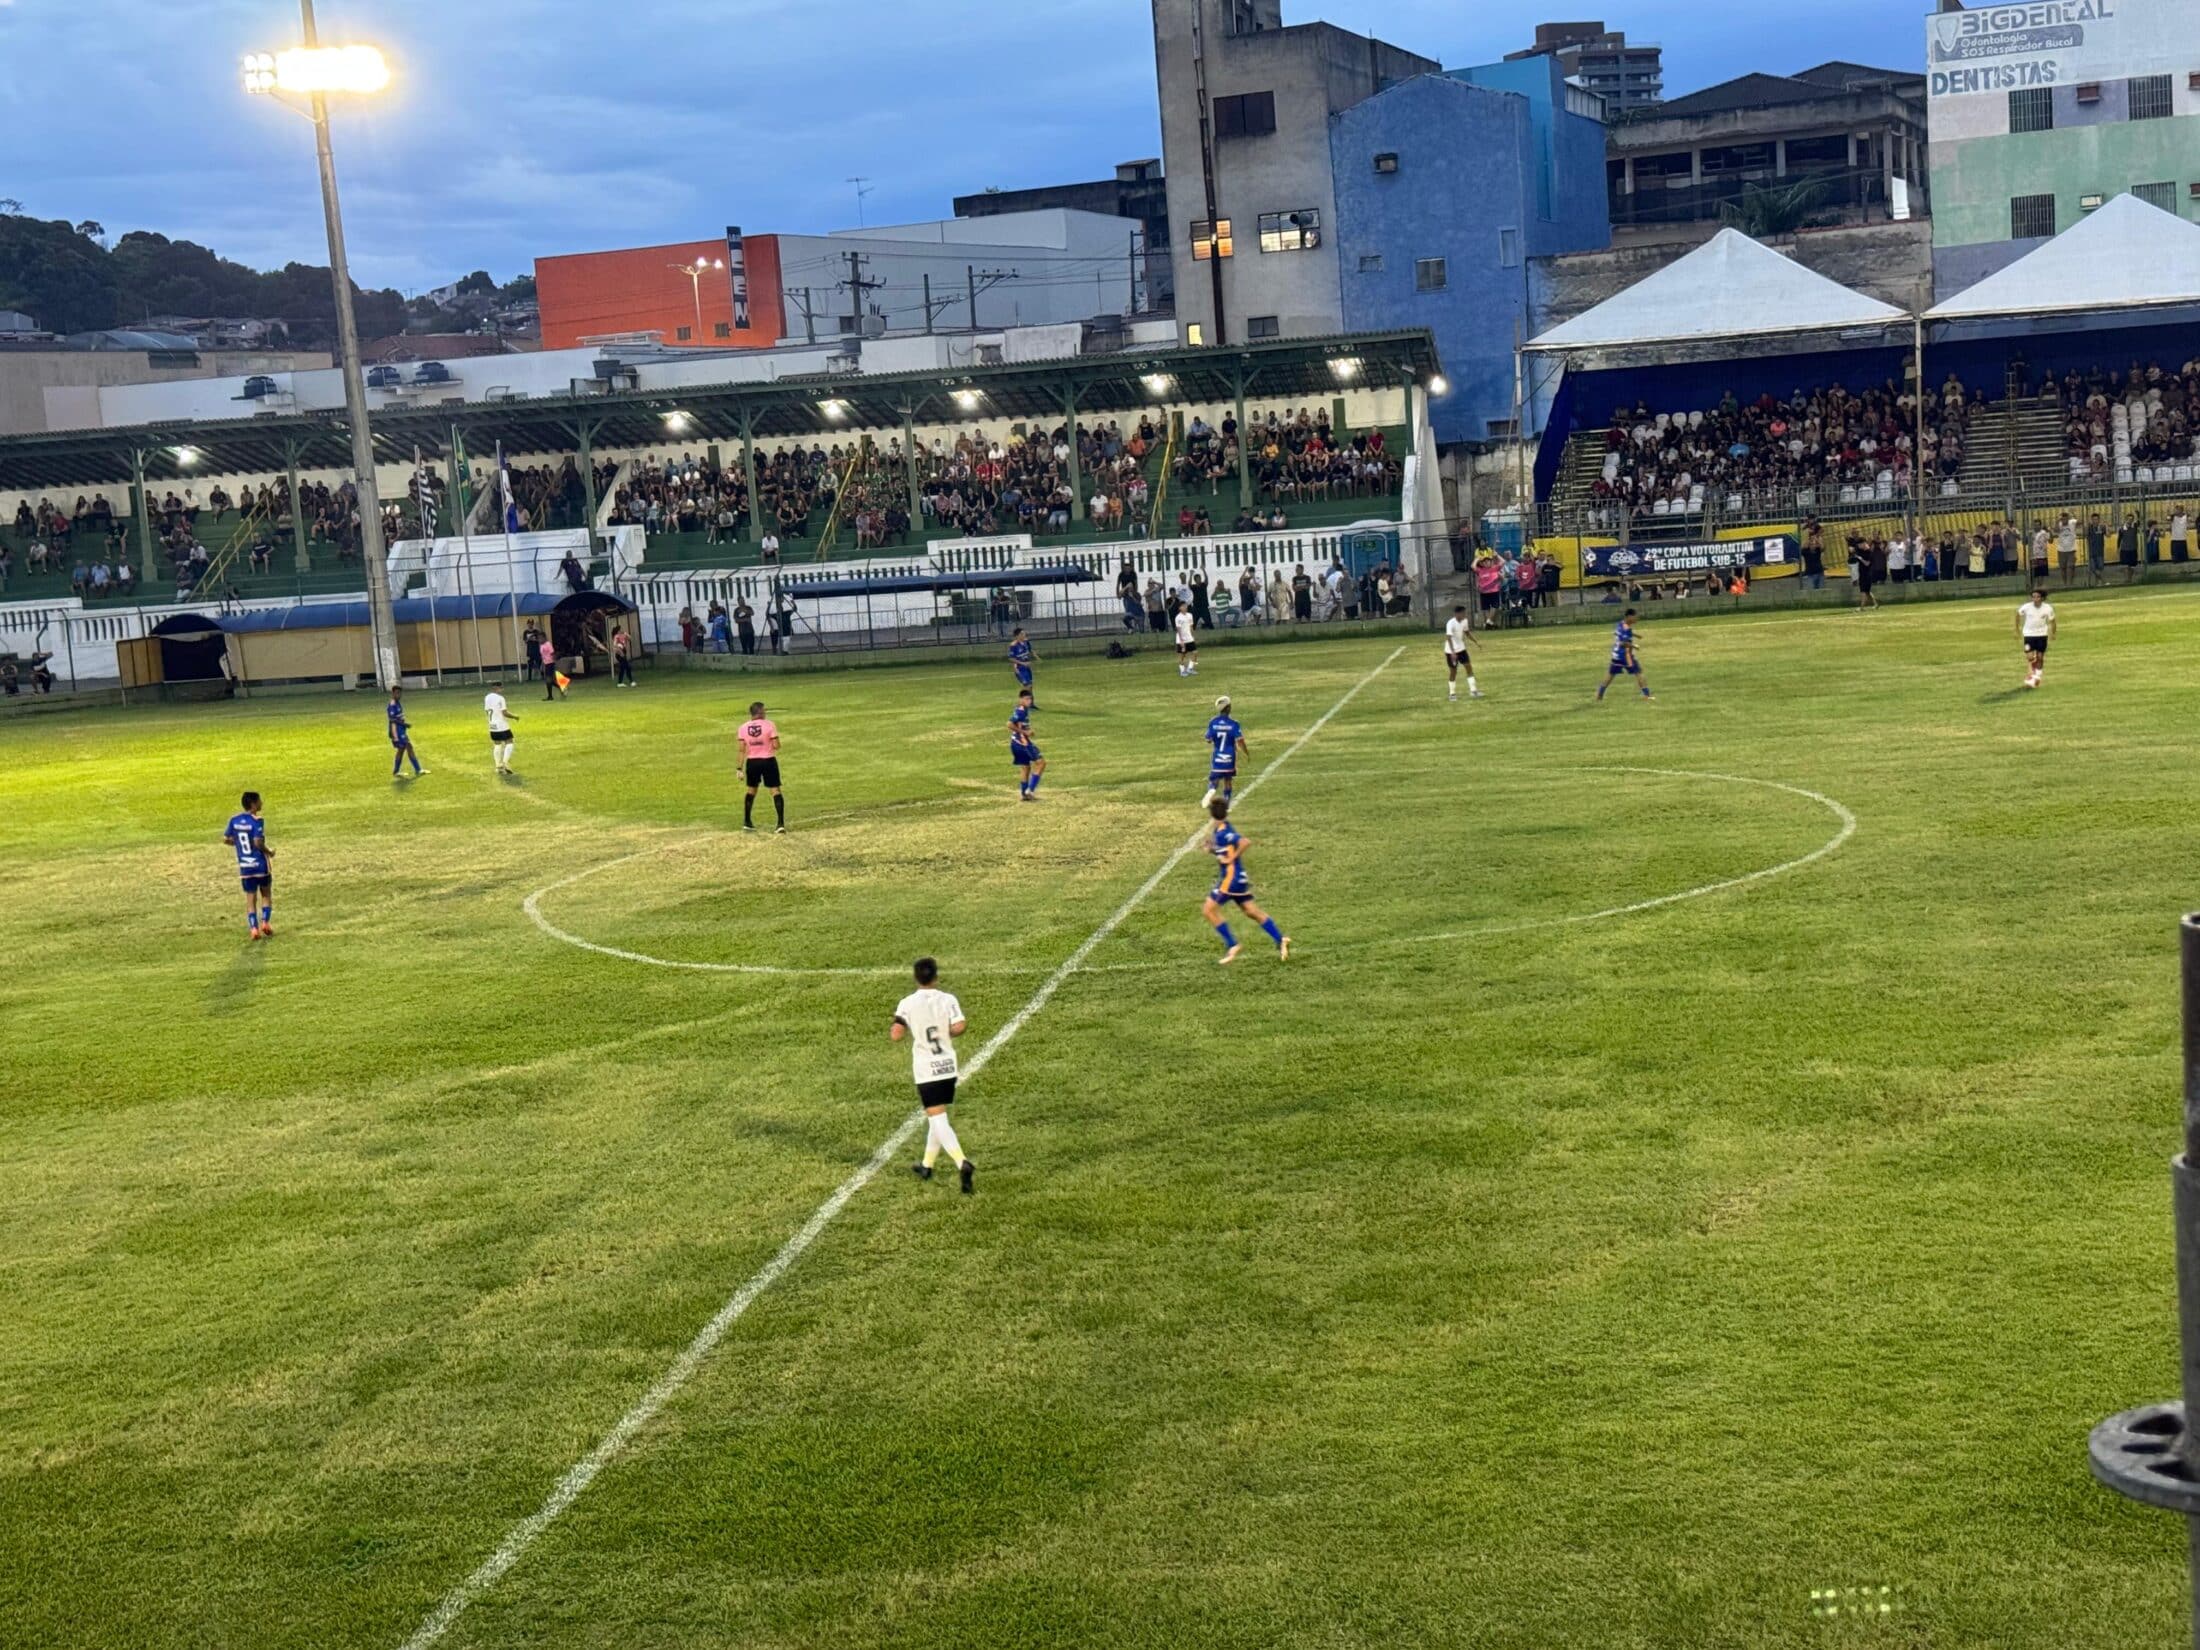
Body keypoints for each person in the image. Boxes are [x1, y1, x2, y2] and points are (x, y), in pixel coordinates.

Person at [891, 957, 972, 1194]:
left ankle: (962, 1162)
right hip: (948, 1065)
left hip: (927, 1069)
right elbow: (960, 1026)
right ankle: (927, 1165)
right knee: (936, 1115)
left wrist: (902, 1029)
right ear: (936, 976)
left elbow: (896, 1034)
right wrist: (942, 1032)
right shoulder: (948, 999)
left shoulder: (907, 1003)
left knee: (938, 1119)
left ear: (916, 978)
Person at [1203, 797, 1288, 966]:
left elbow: (1244, 842)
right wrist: (1212, 850)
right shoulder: (1222, 829)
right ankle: (1280, 939)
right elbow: (1225, 850)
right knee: (1251, 911)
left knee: (1209, 910)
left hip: (1231, 879)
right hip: (1239, 879)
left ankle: (1232, 945)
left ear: (1212, 815)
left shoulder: (1223, 832)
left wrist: (1233, 857)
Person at [223, 791, 275, 940]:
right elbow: (258, 842)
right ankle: (265, 922)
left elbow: (226, 839)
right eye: (259, 801)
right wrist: (269, 852)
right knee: (266, 894)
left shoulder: (234, 820)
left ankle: (253, 928)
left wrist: (237, 844)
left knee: (250, 898)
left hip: (245, 866)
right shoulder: (257, 821)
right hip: (260, 865)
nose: (261, 803)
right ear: (253, 804)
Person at [739, 700, 785, 833]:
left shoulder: (743, 728)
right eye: (764, 710)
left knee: (751, 790)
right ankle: (780, 824)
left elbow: (742, 750)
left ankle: (747, 821)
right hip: (768, 760)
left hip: (752, 762)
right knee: (775, 790)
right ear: (760, 712)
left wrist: (739, 768)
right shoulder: (769, 725)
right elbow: (776, 745)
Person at [1597, 608, 1653, 702]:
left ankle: (1599, 696)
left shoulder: (1621, 624)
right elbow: (1623, 643)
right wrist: (1634, 646)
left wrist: (1636, 635)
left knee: (1610, 675)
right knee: (1639, 672)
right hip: (1625, 656)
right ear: (1629, 617)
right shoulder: (1626, 628)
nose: (1637, 619)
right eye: (1635, 617)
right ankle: (1647, 696)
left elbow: (1620, 634)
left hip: (1616, 655)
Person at [1203, 694, 1247, 807]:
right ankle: (1226, 801)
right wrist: (1246, 752)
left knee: (1214, 780)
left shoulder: (1213, 722)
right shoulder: (1234, 724)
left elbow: (1208, 739)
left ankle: (1211, 790)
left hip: (1217, 756)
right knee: (1228, 780)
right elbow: (1240, 740)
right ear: (1228, 708)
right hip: (1229, 756)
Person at [2018, 587, 2056, 690]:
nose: (2035, 599)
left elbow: (2052, 621)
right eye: (2033, 597)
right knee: (2030, 657)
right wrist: (2016, 629)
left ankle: (2037, 676)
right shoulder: (2026, 607)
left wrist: (2053, 633)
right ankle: (2033, 673)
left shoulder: (2047, 608)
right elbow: (2018, 614)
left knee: (2040, 657)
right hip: (2028, 635)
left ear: (2042, 598)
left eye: (2037, 597)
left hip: (2041, 635)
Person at [1009, 688, 1045, 801]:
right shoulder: (1020, 711)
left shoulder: (1022, 710)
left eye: (1030, 699)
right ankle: (1030, 790)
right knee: (1041, 763)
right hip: (1022, 743)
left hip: (1015, 742)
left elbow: (1019, 725)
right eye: (1027, 699)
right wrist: (1025, 732)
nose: (1029, 701)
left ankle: (1024, 795)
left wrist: (1027, 730)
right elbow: (1009, 724)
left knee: (1025, 767)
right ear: (1021, 699)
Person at [1444, 604, 1481, 703]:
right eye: (1463, 613)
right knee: (1453, 672)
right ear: (1457, 614)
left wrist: (1476, 642)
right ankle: (1452, 694)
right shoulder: (1450, 623)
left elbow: (1467, 633)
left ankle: (1473, 691)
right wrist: (1452, 652)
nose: (1465, 614)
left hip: (1462, 649)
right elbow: (1448, 638)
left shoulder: (1464, 621)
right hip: (1450, 651)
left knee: (1469, 667)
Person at [386, 687, 425, 778]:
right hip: (397, 731)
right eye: (396, 693)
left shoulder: (397, 703)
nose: (398, 695)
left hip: (400, 730)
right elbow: (392, 719)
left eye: (399, 693)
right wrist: (405, 725)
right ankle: (418, 769)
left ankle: (396, 771)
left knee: (401, 749)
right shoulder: (392, 704)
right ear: (392, 693)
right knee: (409, 746)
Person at [484, 686, 516, 773]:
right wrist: (515, 717)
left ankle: (498, 766)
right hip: (501, 725)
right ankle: (505, 763)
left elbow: (487, 711)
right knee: (509, 741)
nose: (502, 690)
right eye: (501, 688)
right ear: (497, 688)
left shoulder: (487, 697)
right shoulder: (500, 698)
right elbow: (504, 713)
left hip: (492, 725)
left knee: (497, 744)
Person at [1008, 628, 1036, 698]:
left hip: (1027, 667)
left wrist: (1033, 653)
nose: (1024, 635)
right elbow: (1011, 658)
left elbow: (1029, 649)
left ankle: (1031, 704)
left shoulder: (1026, 642)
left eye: (1024, 633)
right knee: (1027, 685)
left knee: (1030, 685)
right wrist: (1022, 663)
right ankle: (1023, 703)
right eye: (1022, 634)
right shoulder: (1013, 645)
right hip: (1020, 668)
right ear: (1017, 636)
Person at [1173, 602, 1199, 677]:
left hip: (1189, 638)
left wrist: (1193, 636)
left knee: (1195, 653)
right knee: (1182, 655)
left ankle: (1190, 668)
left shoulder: (1190, 615)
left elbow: (1191, 627)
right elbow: (1178, 629)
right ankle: (1182, 671)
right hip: (1182, 639)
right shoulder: (1178, 617)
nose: (1185, 607)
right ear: (1180, 608)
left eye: (1186, 606)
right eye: (1183, 606)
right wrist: (1181, 640)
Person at [538, 634, 564, 700]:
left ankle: (551, 695)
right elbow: (543, 656)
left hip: (550, 663)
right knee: (549, 680)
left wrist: (554, 661)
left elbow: (552, 653)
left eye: (540, 638)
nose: (539, 640)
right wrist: (542, 664)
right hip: (546, 663)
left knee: (548, 680)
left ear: (544, 638)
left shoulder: (548, 644)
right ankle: (560, 688)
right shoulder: (541, 645)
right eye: (539, 638)